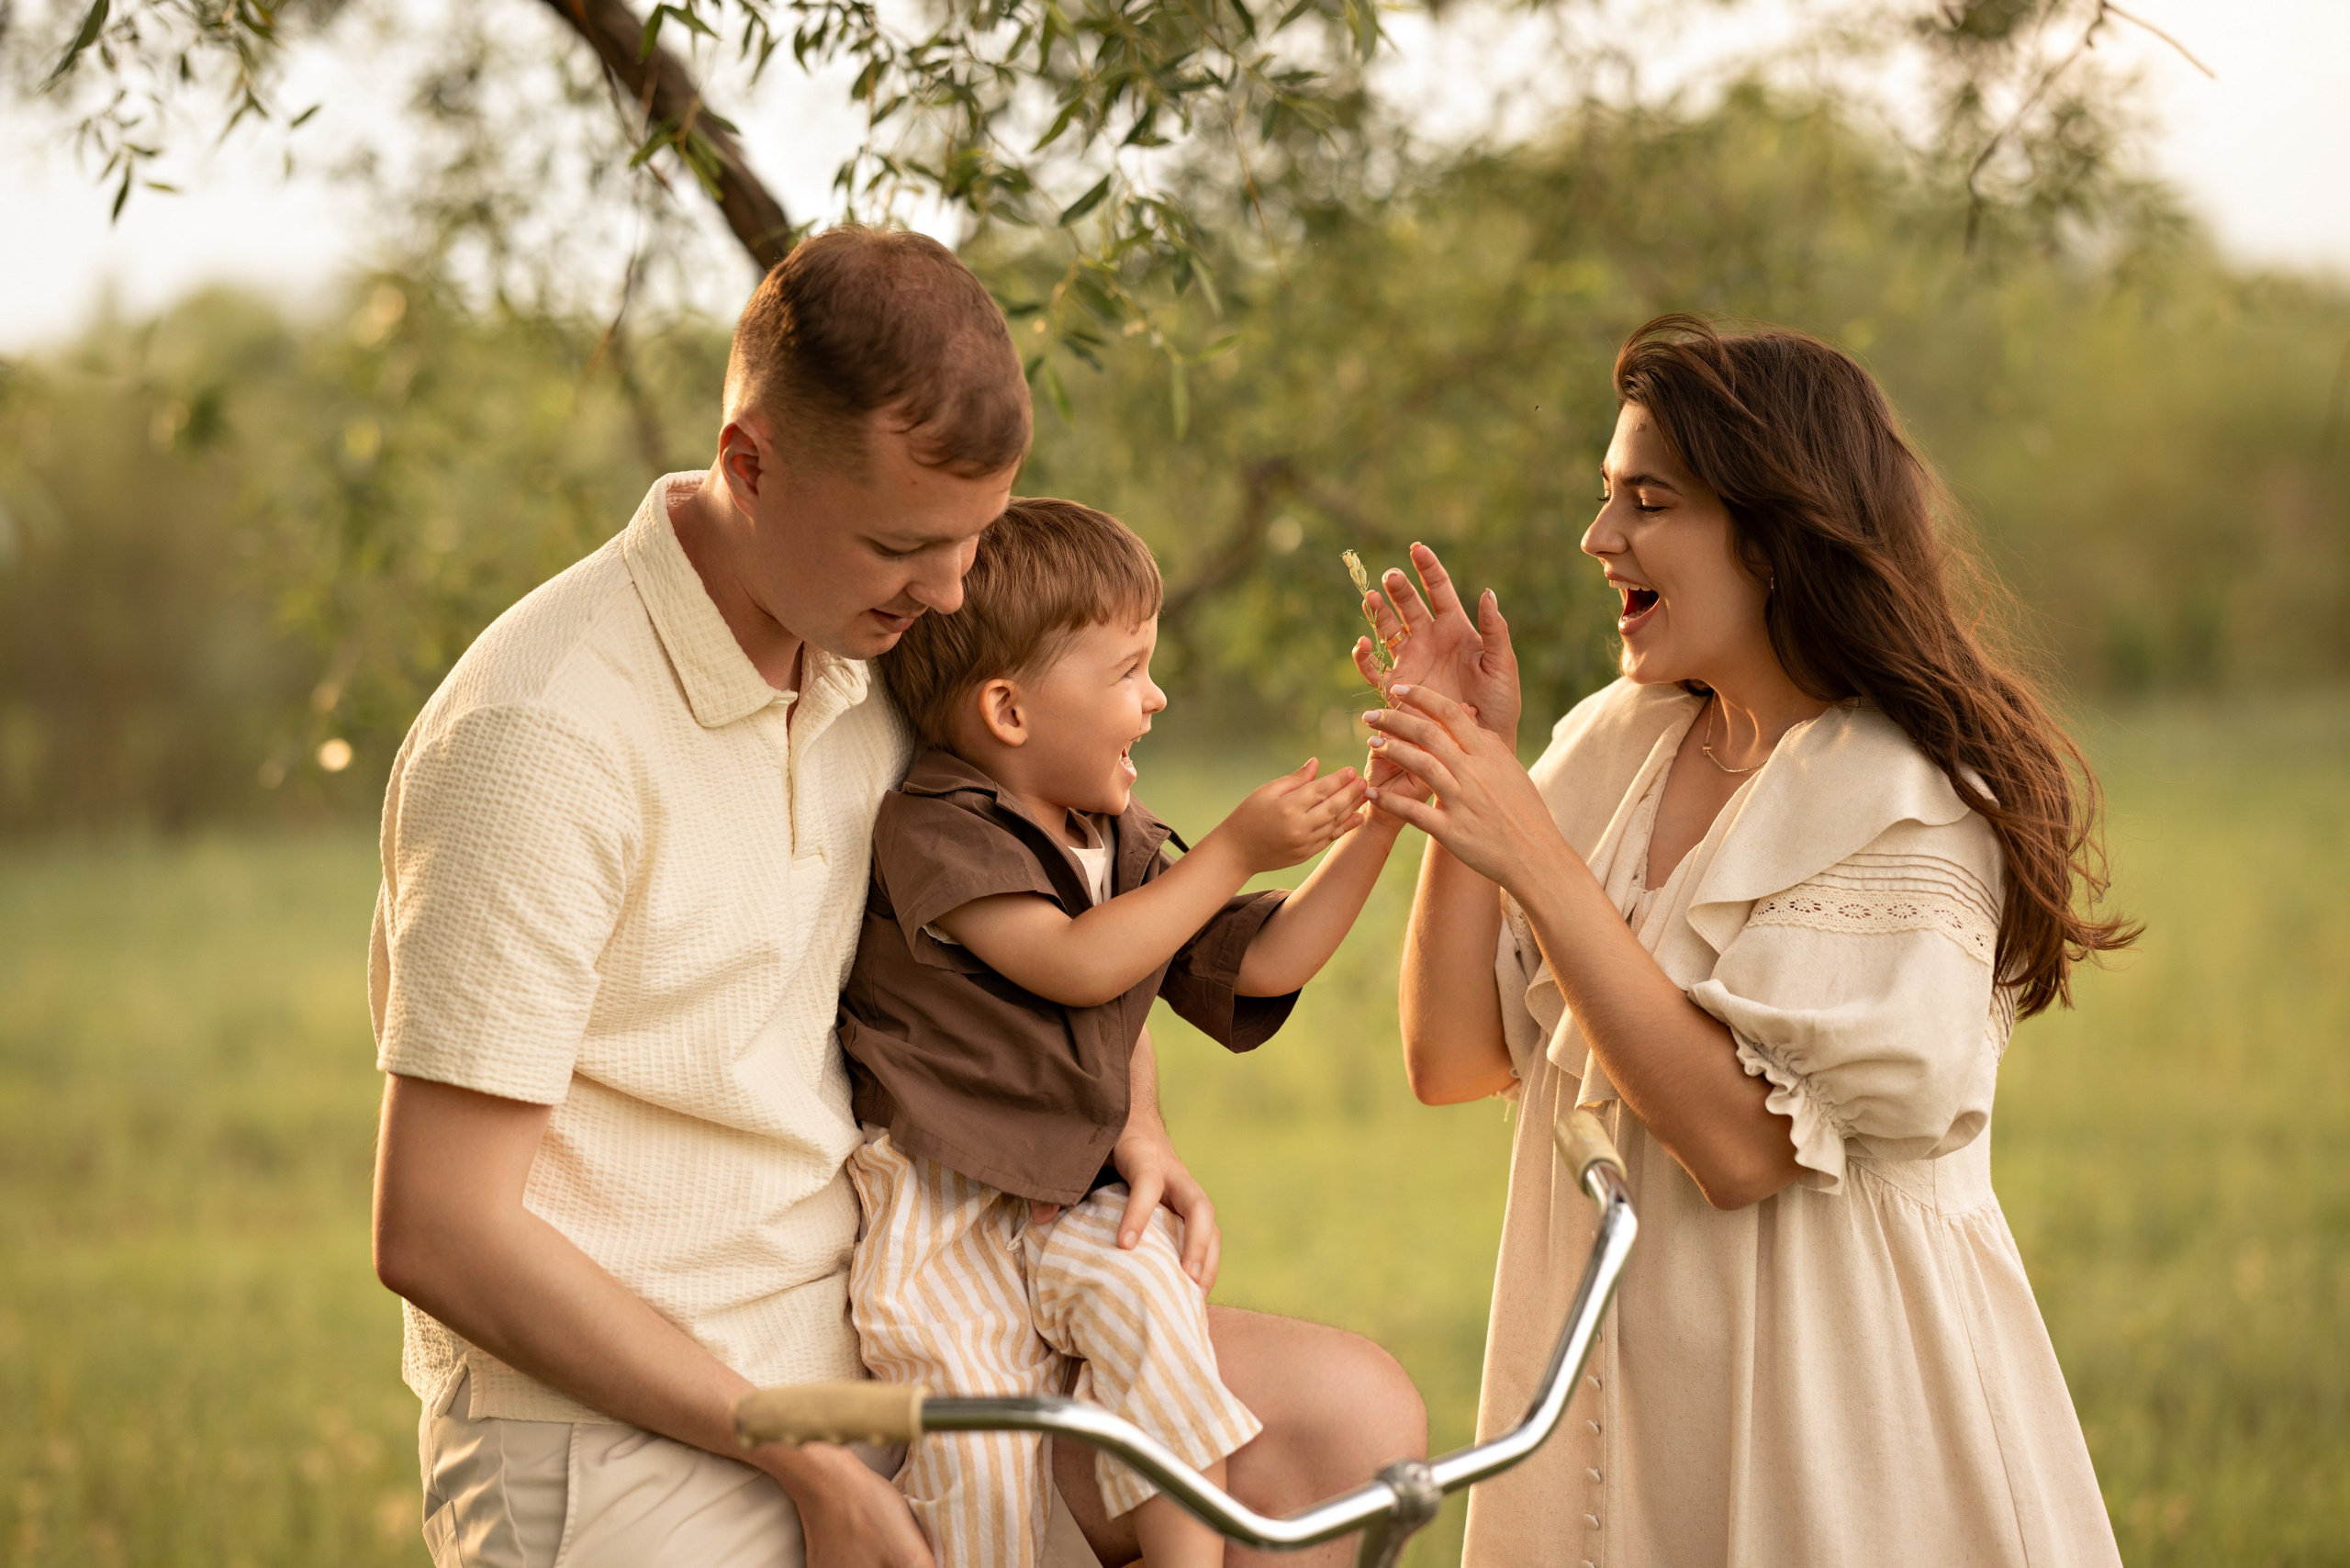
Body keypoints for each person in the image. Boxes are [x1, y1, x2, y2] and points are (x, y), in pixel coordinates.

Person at [366, 226, 1422, 1568]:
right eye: (903, 545)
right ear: (749, 465)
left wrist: (1138, 1115)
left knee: (1345, 1430)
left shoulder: (883, 659)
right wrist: (799, 1451)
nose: (950, 590)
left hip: (880, 1315)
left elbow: (1046, 924)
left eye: (975, 538)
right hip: (622, 1418)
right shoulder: (541, 738)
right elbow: (441, 1231)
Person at [1351, 314, 2134, 1567]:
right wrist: (1471, 776)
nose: (1600, 539)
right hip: (1619, 1384)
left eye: (1645, 502)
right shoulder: (1621, 740)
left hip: (1837, 1411)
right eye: (1607, 499)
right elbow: (1449, 1057)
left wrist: (1534, 851)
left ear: (1772, 534)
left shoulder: (1915, 802)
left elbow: (1738, 1148)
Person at [838, 499, 1409, 1568]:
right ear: (1009, 710)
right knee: (981, 1441)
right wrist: (1235, 848)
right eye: (1128, 672)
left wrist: (1380, 821)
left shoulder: (1121, 841)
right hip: (944, 1203)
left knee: (1162, 1322)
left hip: (1074, 1195)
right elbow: (1078, 960)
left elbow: (1269, 958)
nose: (1153, 700)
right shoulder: (936, 825)